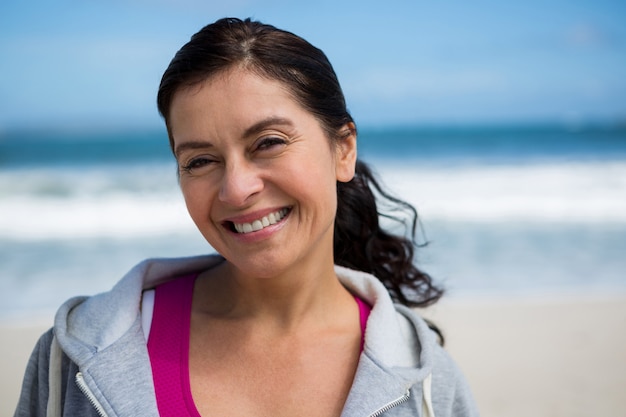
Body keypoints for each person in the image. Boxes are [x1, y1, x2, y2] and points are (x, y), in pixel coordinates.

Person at [14, 17, 478, 417]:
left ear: (344, 149)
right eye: (200, 161)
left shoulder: (430, 384)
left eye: (268, 142)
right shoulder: (72, 358)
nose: (236, 189)